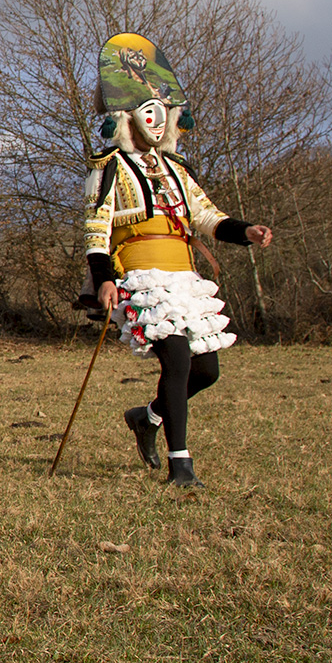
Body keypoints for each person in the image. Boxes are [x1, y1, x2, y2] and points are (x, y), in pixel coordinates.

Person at [84, 34, 274, 488]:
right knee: (177, 360)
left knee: (206, 370)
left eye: (160, 111)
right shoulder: (107, 168)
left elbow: (207, 216)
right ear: (128, 118)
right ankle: (181, 465)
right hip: (141, 275)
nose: (153, 120)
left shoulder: (177, 170)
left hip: (184, 277)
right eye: (144, 112)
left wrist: (243, 230)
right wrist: (104, 281)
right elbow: (95, 232)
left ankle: (147, 417)